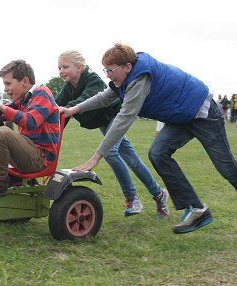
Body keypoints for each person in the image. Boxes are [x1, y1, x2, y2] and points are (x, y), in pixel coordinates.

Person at [60, 43, 237, 234]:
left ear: (127, 67)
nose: (108, 75)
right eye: (106, 70)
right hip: (181, 117)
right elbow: (103, 97)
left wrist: (96, 157)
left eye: (111, 70)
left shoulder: (139, 79)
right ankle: (196, 209)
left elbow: (124, 118)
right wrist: (72, 110)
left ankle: (182, 204)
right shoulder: (125, 80)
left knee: (226, 168)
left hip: (203, 113)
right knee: (158, 153)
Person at [56, 50, 169, 218]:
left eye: (65, 66)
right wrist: (53, 130)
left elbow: (86, 100)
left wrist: (68, 110)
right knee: (131, 157)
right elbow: (58, 108)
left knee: (110, 152)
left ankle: (132, 198)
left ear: (79, 67)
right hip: (102, 122)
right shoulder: (68, 87)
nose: (61, 71)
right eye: (59, 68)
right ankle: (159, 194)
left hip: (114, 116)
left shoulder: (92, 79)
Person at [0, 59, 60, 197]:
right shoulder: (23, 98)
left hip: (39, 159)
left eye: (8, 84)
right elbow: (0, 115)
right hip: (25, 153)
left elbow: (31, 122)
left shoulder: (42, 93)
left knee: (2, 132)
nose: (5, 89)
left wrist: (0, 106)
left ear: (24, 81)